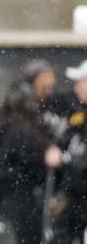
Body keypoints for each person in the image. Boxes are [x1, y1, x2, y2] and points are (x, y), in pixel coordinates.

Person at [0, 81, 47, 244]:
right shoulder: (19, 129)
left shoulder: (0, 124)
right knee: (28, 237)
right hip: (20, 192)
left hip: (10, 192)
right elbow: (31, 161)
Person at [45, 59, 87, 244]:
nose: (76, 88)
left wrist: (64, 157)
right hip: (78, 198)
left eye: (80, 82)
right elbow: (71, 139)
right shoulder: (80, 114)